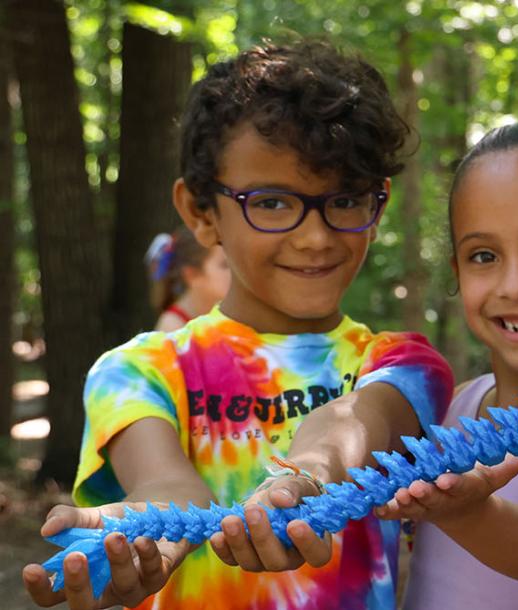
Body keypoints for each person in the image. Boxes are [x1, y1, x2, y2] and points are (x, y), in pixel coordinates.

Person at [22, 40, 453, 610]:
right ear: (201, 212)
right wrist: (146, 534)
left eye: (345, 199)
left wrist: (306, 475)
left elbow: (354, 422)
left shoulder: (403, 364)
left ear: (379, 203)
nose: (316, 236)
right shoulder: (137, 371)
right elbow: (168, 488)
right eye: (272, 203)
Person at [208, 120, 518, 609]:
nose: (515, 284)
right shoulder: (456, 403)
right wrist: (303, 477)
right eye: (484, 255)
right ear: (459, 274)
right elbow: (353, 423)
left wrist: (466, 512)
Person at [145, 228, 230, 332]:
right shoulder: (173, 330)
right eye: (225, 265)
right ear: (192, 275)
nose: (235, 271)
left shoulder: (221, 315)